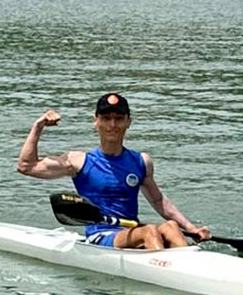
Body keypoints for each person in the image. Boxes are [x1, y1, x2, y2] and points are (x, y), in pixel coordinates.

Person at [15, 91, 210, 251]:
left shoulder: (141, 161)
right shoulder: (78, 161)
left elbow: (159, 201)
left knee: (171, 227)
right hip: (101, 236)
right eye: (106, 118)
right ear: (96, 122)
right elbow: (26, 166)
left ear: (128, 122)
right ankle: (166, 280)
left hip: (131, 231)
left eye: (118, 118)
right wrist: (38, 126)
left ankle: (193, 269)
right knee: (150, 231)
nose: (112, 125)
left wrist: (191, 228)